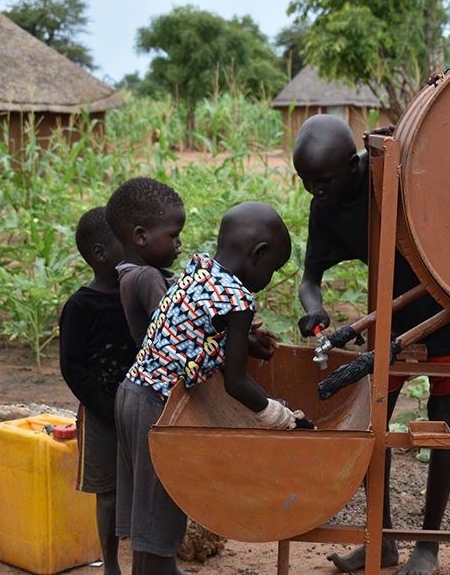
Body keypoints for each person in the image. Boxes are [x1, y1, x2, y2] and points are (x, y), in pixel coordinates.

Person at [293, 114, 450, 575]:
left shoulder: (400, 173)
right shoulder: (325, 206)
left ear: (354, 165)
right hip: (392, 321)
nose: (315, 191)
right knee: (373, 430)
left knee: (444, 426)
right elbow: (310, 278)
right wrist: (315, 308)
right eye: (306, 182)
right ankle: (381, 541)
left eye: (324, 180)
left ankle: (428, 545)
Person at [114, 201, 309, 575]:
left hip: (131, 394)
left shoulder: (198, 269)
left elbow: (189, 330)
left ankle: (161, 571)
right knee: (160, 514)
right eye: (273, 269)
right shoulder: (238, 299)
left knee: (149, 519)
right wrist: (282, 417)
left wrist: (242, 343)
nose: (269, 278)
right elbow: (236, 384)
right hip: (159, 411)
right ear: (259, 255)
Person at [59, 206, 138, 575]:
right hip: (102, 413)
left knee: (147, 488)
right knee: (107, 494)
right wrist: (106, 408)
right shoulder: (80, 307)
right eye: (125, 242)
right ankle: (111, 565)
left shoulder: (140, 292)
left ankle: (152, 561)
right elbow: (72, 366)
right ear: (100, 253)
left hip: (144, 408)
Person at [105, 176, 186, 344]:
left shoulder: (130, 275)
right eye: (173, 235)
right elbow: (176, 332)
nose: (179, 243)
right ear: (141, 237)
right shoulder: (146, 277)